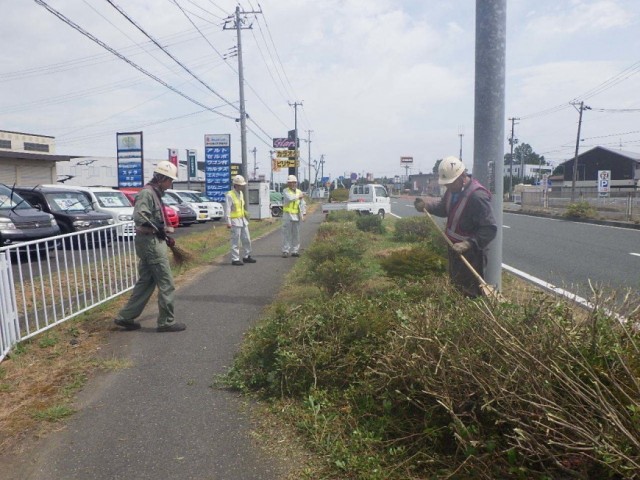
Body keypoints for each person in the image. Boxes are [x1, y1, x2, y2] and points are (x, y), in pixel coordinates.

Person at [114, 161, 186, 332]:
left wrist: (163, 233)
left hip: (150, 240)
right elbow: (140, 217)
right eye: (170, 181)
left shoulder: (155, 193)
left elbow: (152, 219)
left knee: (146, 281)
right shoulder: (147, 194)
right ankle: (166, 322)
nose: (171, 185)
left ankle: (125, 317)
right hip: (150, 243)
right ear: (162, 178)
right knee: (166, 283)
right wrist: (158, 228)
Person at [416, 156, 497, 297]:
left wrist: (468, 244)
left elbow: (489, 229)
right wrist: (427, 206)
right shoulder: (453, 190)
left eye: (450, 183)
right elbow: (444, 207)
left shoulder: (477, 197)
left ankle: (471, 316)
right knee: (457, 287)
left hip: (472, 255)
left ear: (462, 176)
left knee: (470, 291)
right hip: (454, 249)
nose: (447, 186)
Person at [225, 175, 256, 266]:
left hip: (242, 220)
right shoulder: (229, 195)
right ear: (236, 185)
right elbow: (227, 209)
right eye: (241, 185)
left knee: (247, 239)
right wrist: (228, 222)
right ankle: (235, 259)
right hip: (235, 221)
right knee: (235, 241)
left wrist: (245, 213)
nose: (242, 186)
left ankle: (247, 256)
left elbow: (241, 206)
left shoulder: (241, 193)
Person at [281, 174, 306, 258]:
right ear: (288, 183)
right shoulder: (286, 191)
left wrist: (304, 214)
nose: (292, 184)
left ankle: (295, 251)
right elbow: (290, 198)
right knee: (286, 234)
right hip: (287, 215)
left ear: (296, 183)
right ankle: (285, 250)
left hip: (296, 215)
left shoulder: (299, 192)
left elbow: (303, 204)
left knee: (296, 234)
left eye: (293, 182)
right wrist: (299, 196)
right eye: (290, 182)